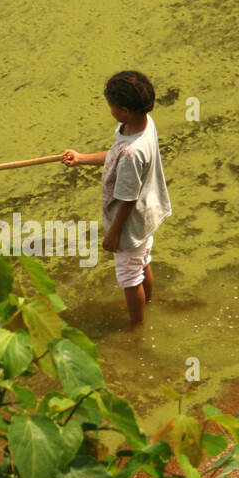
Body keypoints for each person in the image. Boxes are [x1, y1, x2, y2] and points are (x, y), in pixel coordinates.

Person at [62, 70, 171, 326]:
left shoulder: (133, 153)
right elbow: (114, 154)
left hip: (129, 224)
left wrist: (113, 234)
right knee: (143, 261)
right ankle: (147, 303)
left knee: (129, 278)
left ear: (123, 110)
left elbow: (128, 198)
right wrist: (81, 159)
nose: (109, 110)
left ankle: (137, 326)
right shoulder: (142, 123)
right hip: (145, 215)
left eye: (111, 106)